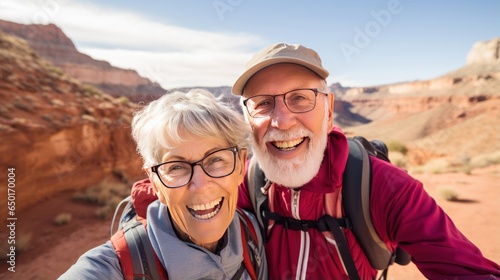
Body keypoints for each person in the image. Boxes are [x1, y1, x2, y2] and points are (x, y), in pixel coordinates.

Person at [232, 43, 500, 279]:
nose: (281, 120)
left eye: (300, 98)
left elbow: (469, 271)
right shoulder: (242, 179)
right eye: (263, 103)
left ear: (329, 111)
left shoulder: (384, 186)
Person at [59, 89, 267, 280]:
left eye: (215, 160)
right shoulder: (113, 268)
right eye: (176, 167)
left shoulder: (251, 234)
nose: (201, 184)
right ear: (155, 182)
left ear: (240, 165)